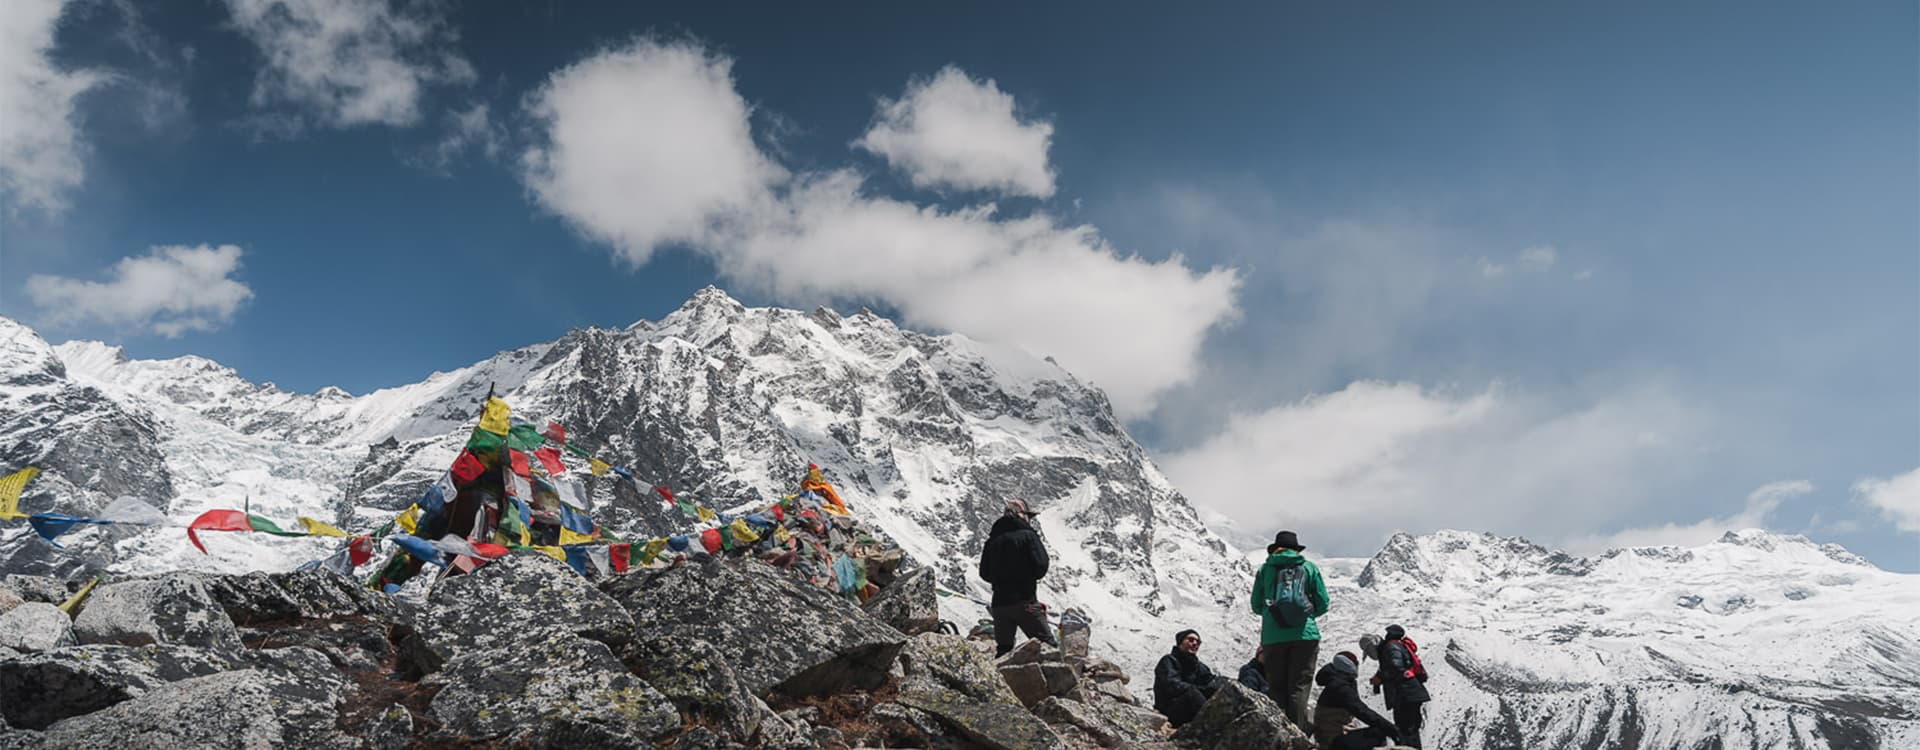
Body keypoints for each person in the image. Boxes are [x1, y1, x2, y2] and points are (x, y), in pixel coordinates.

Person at [1251, 530, 1330, 730]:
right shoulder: (1309, 567)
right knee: (1299, 687)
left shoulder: (1265, 570)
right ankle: (1297, 737)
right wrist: (1305, 615)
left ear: (1275, 549)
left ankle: (1278, 736)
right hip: (1305, 635)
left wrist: (1273, 616)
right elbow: (1323, 603)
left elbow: (1255, 605)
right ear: (1296, 549)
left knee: (1276, 687)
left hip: (1273, 637)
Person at [977, 498, 1057, 656]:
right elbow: (1041, 564)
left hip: (1000, 605)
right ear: (1022, 515)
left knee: (1004, 649)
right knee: (1048, 647)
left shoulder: (992, 540)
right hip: (1025, 602)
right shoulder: (1028, 536)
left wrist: (1001, 580)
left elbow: (984, 573)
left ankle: (999, 679)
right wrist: (1026, 576)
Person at [1313, 651, 1399, 749]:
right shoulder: (1340, 686)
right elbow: (1361, 710)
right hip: (1333, 739)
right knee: (1378, 733)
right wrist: (1392, 729)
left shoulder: (1335, 681)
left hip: (1329, 735)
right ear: (1349, 665)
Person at [1369, 624, 1431, 748]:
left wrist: (1380, 678)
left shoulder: (1391, 647)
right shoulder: (1397, 646)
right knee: (1410, 730)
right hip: (1411, 694)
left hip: (1405, 695)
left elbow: (1396, 667)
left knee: (1406, 729)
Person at [1153, 629, 1224, 727]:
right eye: (1191, 640)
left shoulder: (1199, 666)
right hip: (1169, 710)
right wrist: (1202, 690)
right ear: (1180, 642)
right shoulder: (1169, 661)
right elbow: (1172, 685)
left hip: (1192, 709)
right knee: (1192, 693)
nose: (1195, 643)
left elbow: (1211, 681)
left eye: (1198, 642)